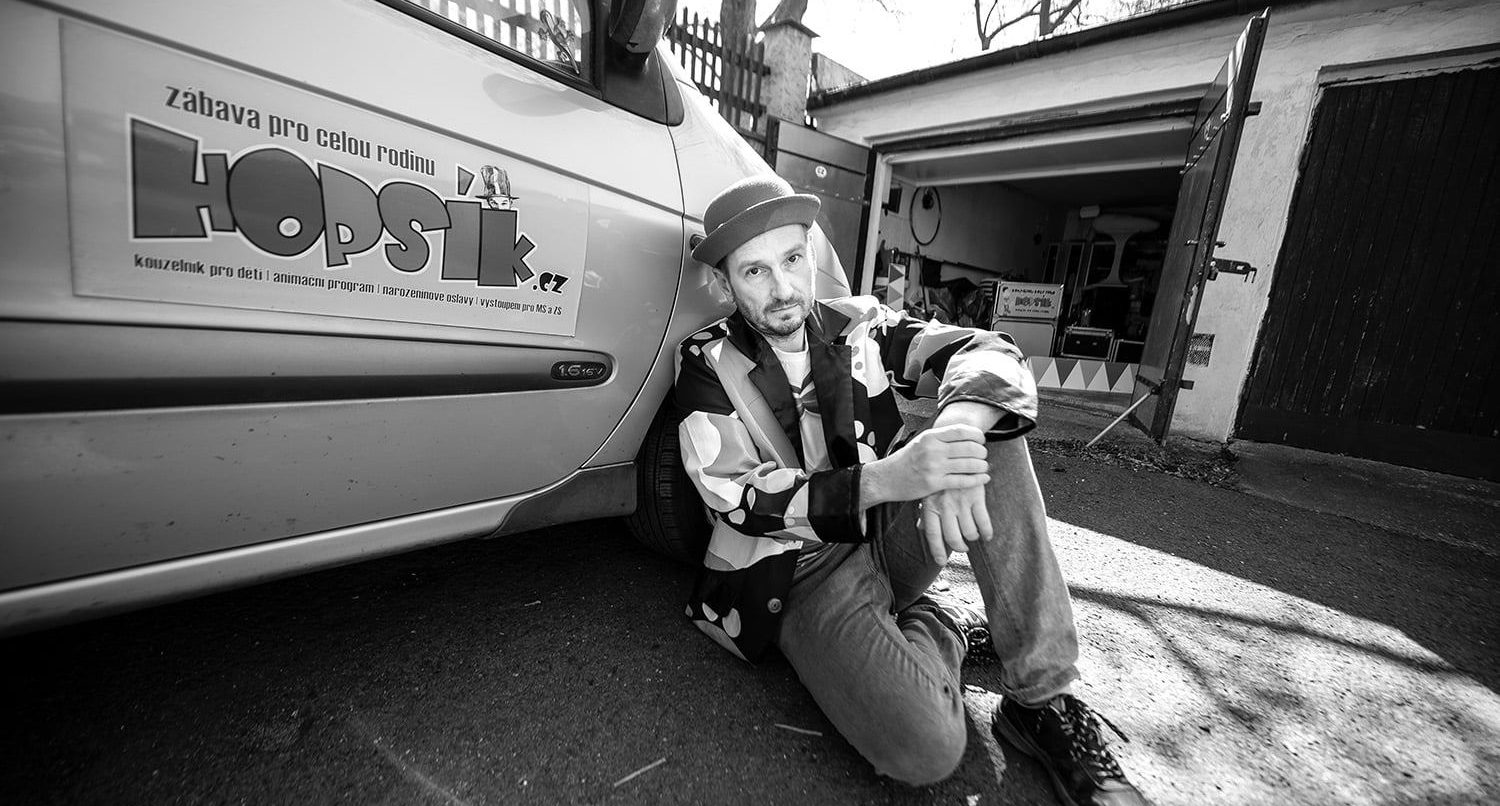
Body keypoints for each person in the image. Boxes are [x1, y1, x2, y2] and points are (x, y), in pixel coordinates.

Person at [673, 176, 1147, 805]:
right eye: (755, 271)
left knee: (986, 428)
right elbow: (736, 499)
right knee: (927, 750)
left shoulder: (859, 323)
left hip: (888, 534)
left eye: (792, 259)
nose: (783, 288)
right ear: (724, 283)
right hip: (799, 573)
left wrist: (955, 432)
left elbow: (988, 351)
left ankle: (1042, 699)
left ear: (811, 254)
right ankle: (940, 623)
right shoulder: (704, 361)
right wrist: (889, 478)